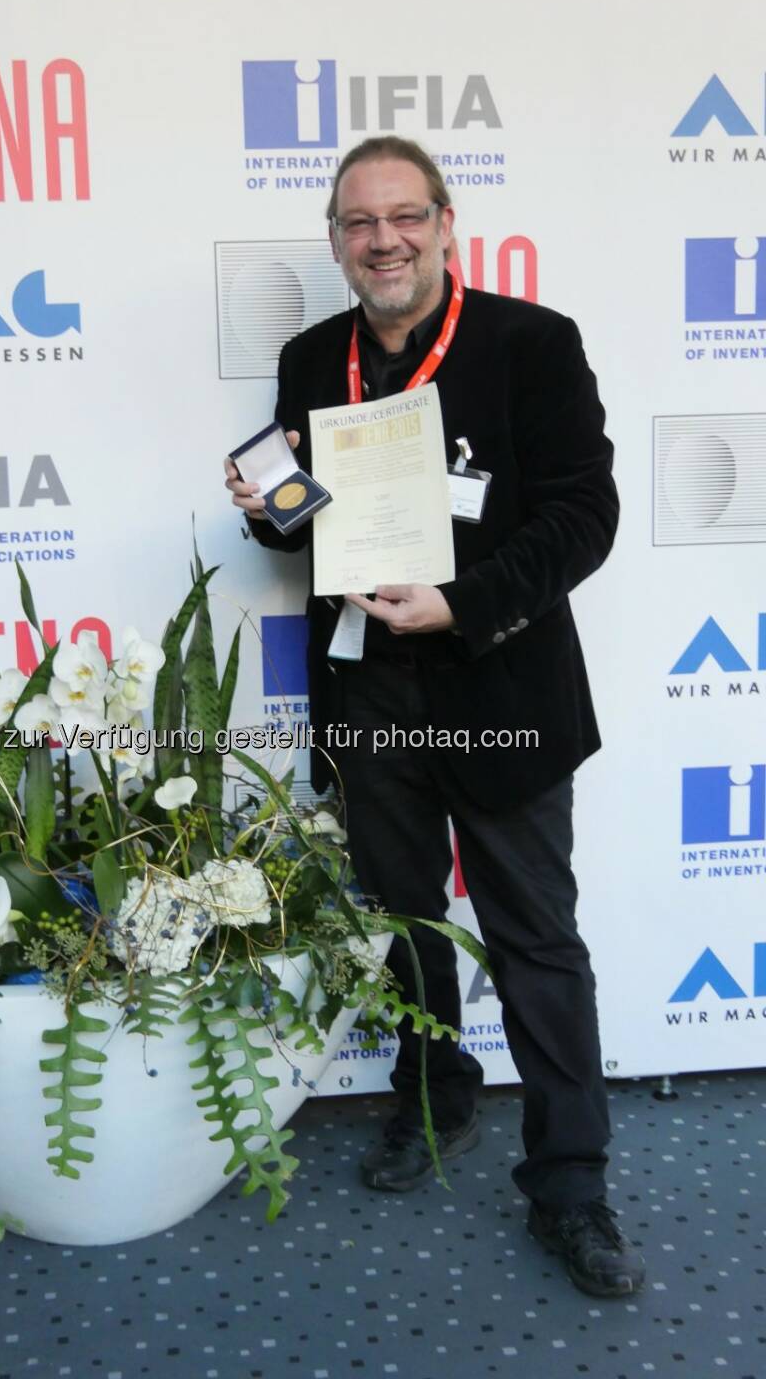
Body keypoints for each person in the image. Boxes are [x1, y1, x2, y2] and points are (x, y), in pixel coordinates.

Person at [223, 135, 644, 1299]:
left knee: (535, 943)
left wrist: (461, 604)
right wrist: (268, 508)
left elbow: (584, 517)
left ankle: (572, 1186)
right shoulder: (313, 357)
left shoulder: (529, 345)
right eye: (360, 224)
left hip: (498, 685)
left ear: (446, 223)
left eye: (405, 217)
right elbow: (311, 525)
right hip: (367, 690)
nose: (384, 241)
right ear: (337, 242)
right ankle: (435, 1097)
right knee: (407, 925)